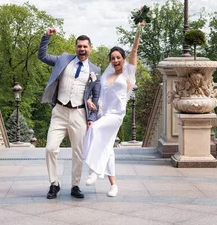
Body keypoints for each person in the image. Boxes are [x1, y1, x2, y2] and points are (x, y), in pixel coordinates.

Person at [38, 27, 101, 199]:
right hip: (59, 111)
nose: (82, 49)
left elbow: (95, 96)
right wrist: (46, 37)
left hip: (79, 113)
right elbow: (42, 56)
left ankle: (75, 185)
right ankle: (54, 184)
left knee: (78, 152)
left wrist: (91, 118)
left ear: (90, 49)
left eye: (85, 46)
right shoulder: (63, 60)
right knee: (50, 148)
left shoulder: (95, 70)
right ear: (75, 48)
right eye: (79, 46)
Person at [84, 21, 144, 197]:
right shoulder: (106, 75)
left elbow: (134, 51)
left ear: (123, 59)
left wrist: (138, 31)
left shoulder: (127, 74)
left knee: (94, 130)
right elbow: (96, 92)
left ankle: (94, 169)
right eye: (113, 58)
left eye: (119, 57)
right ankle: (113, 186)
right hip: (103, 114)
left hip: (116, 115)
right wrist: (88, 100)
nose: (116, 60)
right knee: (108, 148)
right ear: (110, 61)